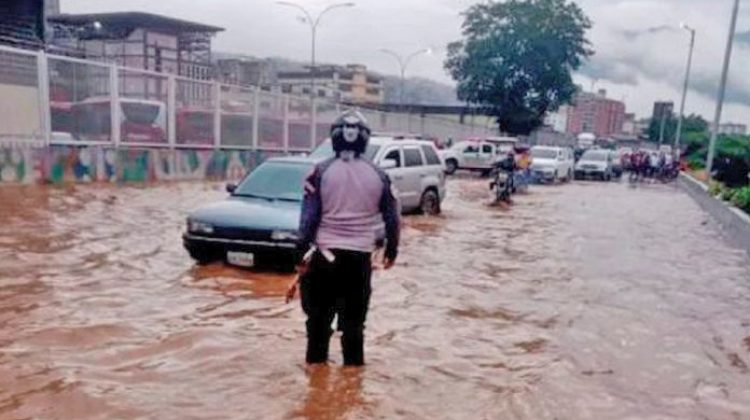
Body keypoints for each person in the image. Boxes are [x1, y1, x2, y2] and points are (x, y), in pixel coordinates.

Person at [294, 110, 401, 366]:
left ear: (334, 136)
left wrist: (299, 255)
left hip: (324, 259)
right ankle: (352, 387)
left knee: (318, 324)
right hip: (359, 261)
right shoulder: (380, 176)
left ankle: (316, 387)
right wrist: (391, 251)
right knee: (354, 327)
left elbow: (308, 220)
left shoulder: (318, 172)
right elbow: (392, 219)